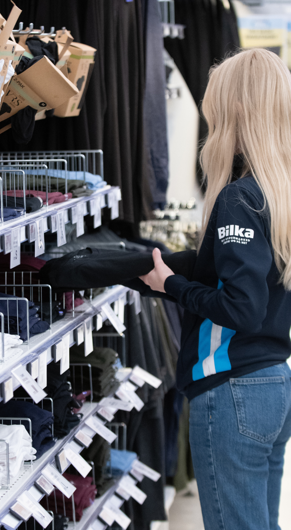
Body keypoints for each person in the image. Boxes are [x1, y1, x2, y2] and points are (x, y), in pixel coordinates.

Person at [140, 48, 291, 530]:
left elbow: (241, 307)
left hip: (233, 390)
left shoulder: (238, 198)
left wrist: (175, 285)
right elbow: (240, 273)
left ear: (235, 110)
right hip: (273, 381)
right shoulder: (278, 194)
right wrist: (165, 274)